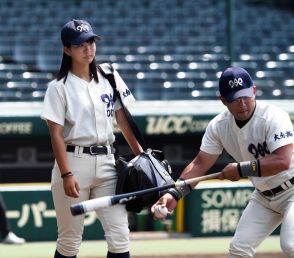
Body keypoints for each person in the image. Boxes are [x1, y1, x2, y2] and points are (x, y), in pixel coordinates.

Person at [152, 66, 294, 258]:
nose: (242, 103)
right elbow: (200, 164)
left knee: (290, 245)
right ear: (223, 100)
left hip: (292, 189)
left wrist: (242, 170)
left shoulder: (273, 116)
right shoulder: (219, 126)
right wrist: (175, 193)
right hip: (264, 197)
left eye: (246, 96)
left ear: (254, 91)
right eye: (236, 99)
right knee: (238, 250)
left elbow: (283, 161)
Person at [41, 19, 142, 258]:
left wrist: (141, 155)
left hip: (108, 163)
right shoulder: (58, 87)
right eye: (80, 44)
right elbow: (55, 134)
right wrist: (66, 174)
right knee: (69, 240)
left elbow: (123, 121)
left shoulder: (109, 75)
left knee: (120, 236)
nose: (88, 48)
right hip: (73, 162)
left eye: (91, 41)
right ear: (67, 49)